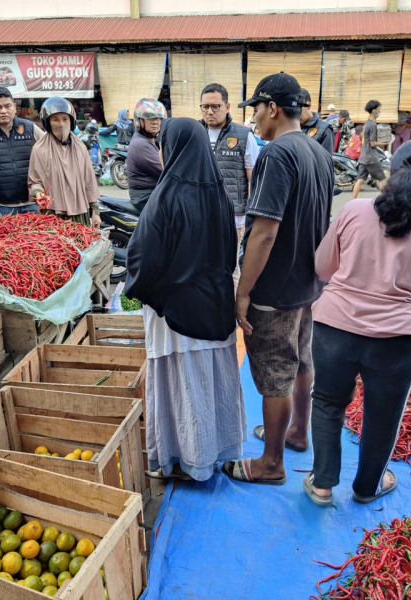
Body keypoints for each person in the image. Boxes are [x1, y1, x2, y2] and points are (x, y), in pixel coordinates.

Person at [303, 139, 411, 506]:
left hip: (334, 329)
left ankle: (322, 484)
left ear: (391, 171)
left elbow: (323, 268)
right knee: (383, 415)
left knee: (327, 402)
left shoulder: (353, 211)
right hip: (398, 340)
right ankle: (366, 487)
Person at [222, 72, 334, 486]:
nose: (254, 119)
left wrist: (243, 292)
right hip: (307, 283)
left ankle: (271, 462)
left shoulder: (276, 154)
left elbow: (265, 232)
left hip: (276, 287)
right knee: (302, 359)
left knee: (274, 374)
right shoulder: (318, 152)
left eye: (256, 109)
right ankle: (298, 433)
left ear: (272, 108)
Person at [125, 118, 246, 482]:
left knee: (181, 386)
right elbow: (229, 255)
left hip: (174, 316)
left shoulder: (165, 197)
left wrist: (144, 292)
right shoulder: (220, 195)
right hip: (213, 309)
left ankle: (185, 461)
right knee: (210, 383)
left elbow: (142, 259)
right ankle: (217, 452)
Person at [199, 83, 260, 288]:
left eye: (215, 106)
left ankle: (232, 316)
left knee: (231, 268)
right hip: (203, 216)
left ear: (227, 106)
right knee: (205, 266)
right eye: (205, 106)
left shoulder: (243, 136)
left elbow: (254, 178)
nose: (210, 111)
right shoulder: (196, 134)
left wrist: (251, 215)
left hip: (235, 217)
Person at [27, 97, 101, 227]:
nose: (61, 124)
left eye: (65, 119)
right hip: (53, 213)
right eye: (55, 119)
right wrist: (38, 193)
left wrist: (95, 211)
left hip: (80, 212)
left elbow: (89, 181)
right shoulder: (39, 149)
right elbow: (34, 181)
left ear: (71, 121)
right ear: (47, 122)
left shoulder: (80, 148)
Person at [0, 86, 44, 216]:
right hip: (0, 206)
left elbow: (50, 149)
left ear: (14, 107)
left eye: (7, 106)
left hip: (32, 203)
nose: (3, 111)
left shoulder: (29, 128)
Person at [126, 98, 166, 212]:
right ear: (139, 121)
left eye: (158, 118)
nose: (155, 122)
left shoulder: (153, 141)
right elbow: (165, 171)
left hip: (153, 194)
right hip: (145, 198)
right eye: (149, 118)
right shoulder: (141, 144)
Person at [352, 100, 388, 199]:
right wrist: (385, 143)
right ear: (374, 110)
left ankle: (353, 201)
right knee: (382, 179)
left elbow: (361, 137)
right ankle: (388, 200)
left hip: (363, 157)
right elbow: (373, 143)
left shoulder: (366, 123)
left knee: (360, 180)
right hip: (371, 158)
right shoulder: (372, 125)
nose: (380, 110)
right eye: (379, 108)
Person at [299, 88, 334, 154]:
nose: (295, 113)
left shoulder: (325, 131)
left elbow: (325, 162)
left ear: (308, 106)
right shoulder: (290, 127)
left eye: (299, 109)